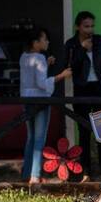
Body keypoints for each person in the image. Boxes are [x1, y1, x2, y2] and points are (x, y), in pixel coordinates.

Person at [57, 11, 101, 180]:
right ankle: (86, 173)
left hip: (99, 88)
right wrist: (82, 49)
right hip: (81, 89)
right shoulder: (72, 44)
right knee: (84, 132)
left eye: (92, 26)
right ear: (78, 27)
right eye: (86, 26)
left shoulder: (99, 40)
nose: (90, 29)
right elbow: (70, 66)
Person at [19, 27, 71, 183]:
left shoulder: (24, 57)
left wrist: (46, 64)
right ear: (36, 42)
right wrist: (61, 76)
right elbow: (41, 84)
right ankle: (35, 175)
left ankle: (26, 173)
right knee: (39, 138)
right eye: (44, 39)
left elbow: (32, 78)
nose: (47, 41)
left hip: (27, 100)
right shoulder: (39, 58)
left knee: (31, 138)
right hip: (40, 101)